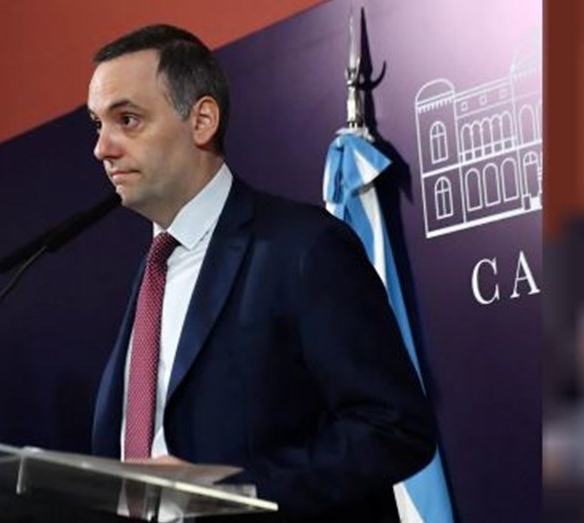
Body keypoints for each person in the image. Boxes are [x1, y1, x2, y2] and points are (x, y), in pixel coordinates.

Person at [87, 25, 435, 522]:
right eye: (97, 125)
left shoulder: (305, 248)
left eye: (127, 120)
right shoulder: (152, 271)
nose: (102, 148)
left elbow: (393, 429)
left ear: (202, 120)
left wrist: (232, 490)